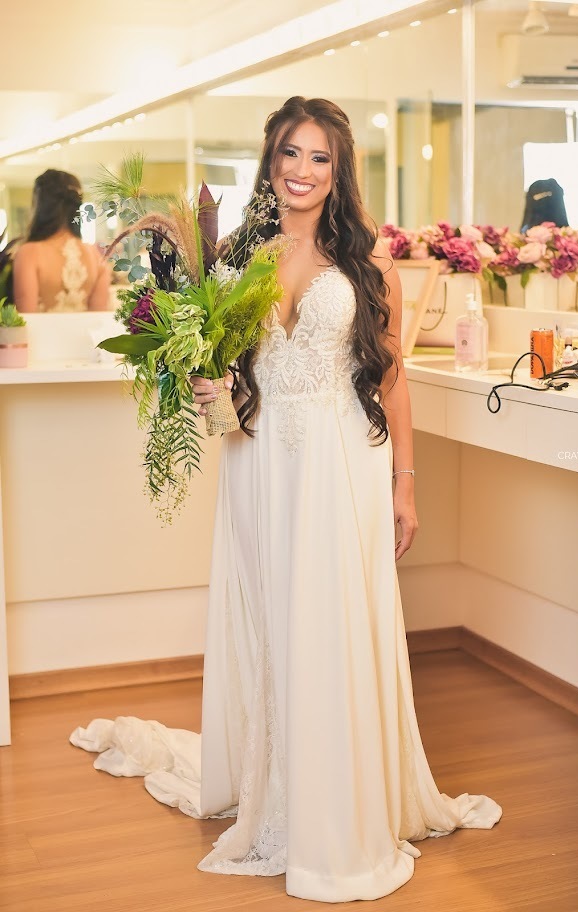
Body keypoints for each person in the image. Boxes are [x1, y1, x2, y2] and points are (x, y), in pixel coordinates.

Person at [70, 97, 502, 902]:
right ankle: (279, 790)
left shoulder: (365, 262)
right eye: (289, 154)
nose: (301, 171)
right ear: (270, 161)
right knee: (273, 620)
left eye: (318, 158)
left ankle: (339, 810)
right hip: (259, 460)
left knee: (332, 624)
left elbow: (390, 379)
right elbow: (228, 377)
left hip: (341, 459)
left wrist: (406, 484)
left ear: (338, 171)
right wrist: (209, 386)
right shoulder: (233, 259)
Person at [12, 169, 110, 312]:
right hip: (85, 329)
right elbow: (98, 318)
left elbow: (26, 317)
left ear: (40, 205)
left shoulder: (29, 253)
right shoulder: (96, 257)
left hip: (41, 328)